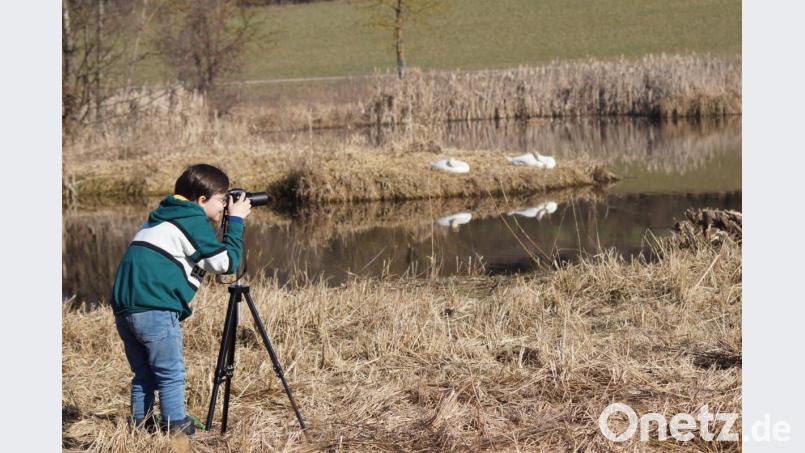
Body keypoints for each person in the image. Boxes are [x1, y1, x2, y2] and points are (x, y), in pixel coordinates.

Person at [109, 163, 252, 435]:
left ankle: (142, 425)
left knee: (144, 374)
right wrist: (236, 222)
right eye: (222, 200)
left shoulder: (161, 216)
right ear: (201, 200)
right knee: (170, 372)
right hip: (155, 308)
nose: (225, 206)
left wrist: (228, 216)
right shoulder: (190, 218)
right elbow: (225, 263)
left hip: (126, 309)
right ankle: (176, 426)